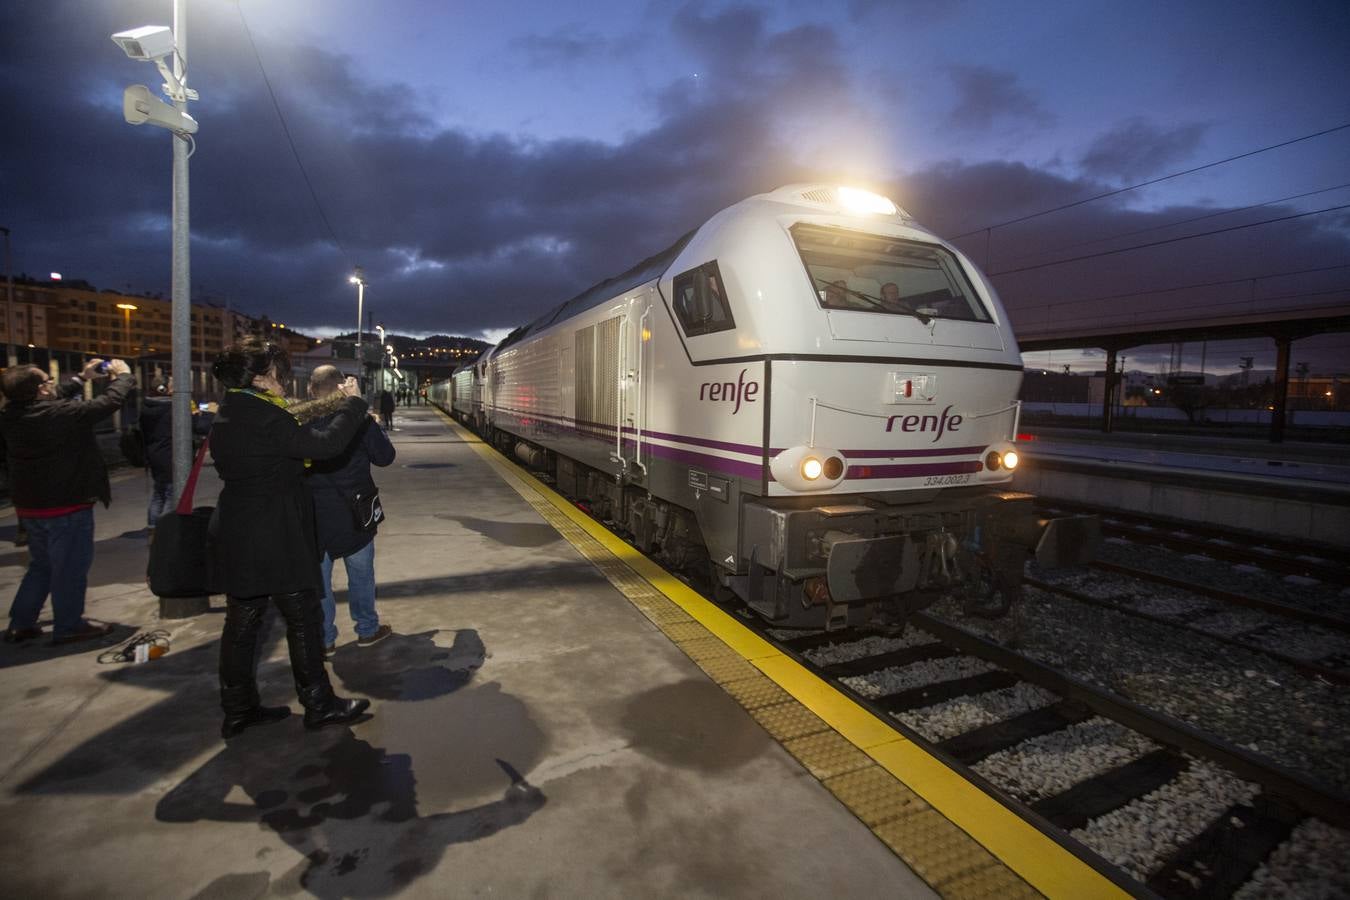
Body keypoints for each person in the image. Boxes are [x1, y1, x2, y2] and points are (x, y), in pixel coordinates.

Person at [209, 337, 373, 737]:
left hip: (239, 531)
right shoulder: (265, 416)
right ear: (264, 377)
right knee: (303, 618)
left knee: (242, 623)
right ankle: (320, 704)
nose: (286, 381)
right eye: (281, 373)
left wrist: (333, 404)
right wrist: (352, 403)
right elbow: (325, 445)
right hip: (276, 532)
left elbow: (291, 425)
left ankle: (238, 708)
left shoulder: (232, 410)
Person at [1, 358, 133, 644]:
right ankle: (69, 625)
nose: (51, 384)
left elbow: (50, 398)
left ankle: (21, 623)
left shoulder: (11, 415)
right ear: (41, 391)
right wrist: (123, 376)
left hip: (31, 507)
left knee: (42, 565)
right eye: (47, 381)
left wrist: (82, 378)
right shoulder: (59, 414)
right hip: (66, 504)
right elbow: (108, 403)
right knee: (70, 568)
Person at [298, 365, 395, 656]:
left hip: (314, 518)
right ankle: (366, 630)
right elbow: (385, 457)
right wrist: (367, 418)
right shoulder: (358, 421)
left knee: (320, 583)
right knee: (362, 576)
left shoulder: (299, 421)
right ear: (343, 387)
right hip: (356, 515)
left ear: (310, 390)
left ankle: (325, 639)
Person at [139, 379, 213, 533]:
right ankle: (166, 531)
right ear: (167, 390)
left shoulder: (149, 406)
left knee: (159, 494)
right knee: (172, 496)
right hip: (172, 458)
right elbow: (201, 427)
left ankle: (153, 529)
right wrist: (208, 414)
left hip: (155, 456)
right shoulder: (174, 409)